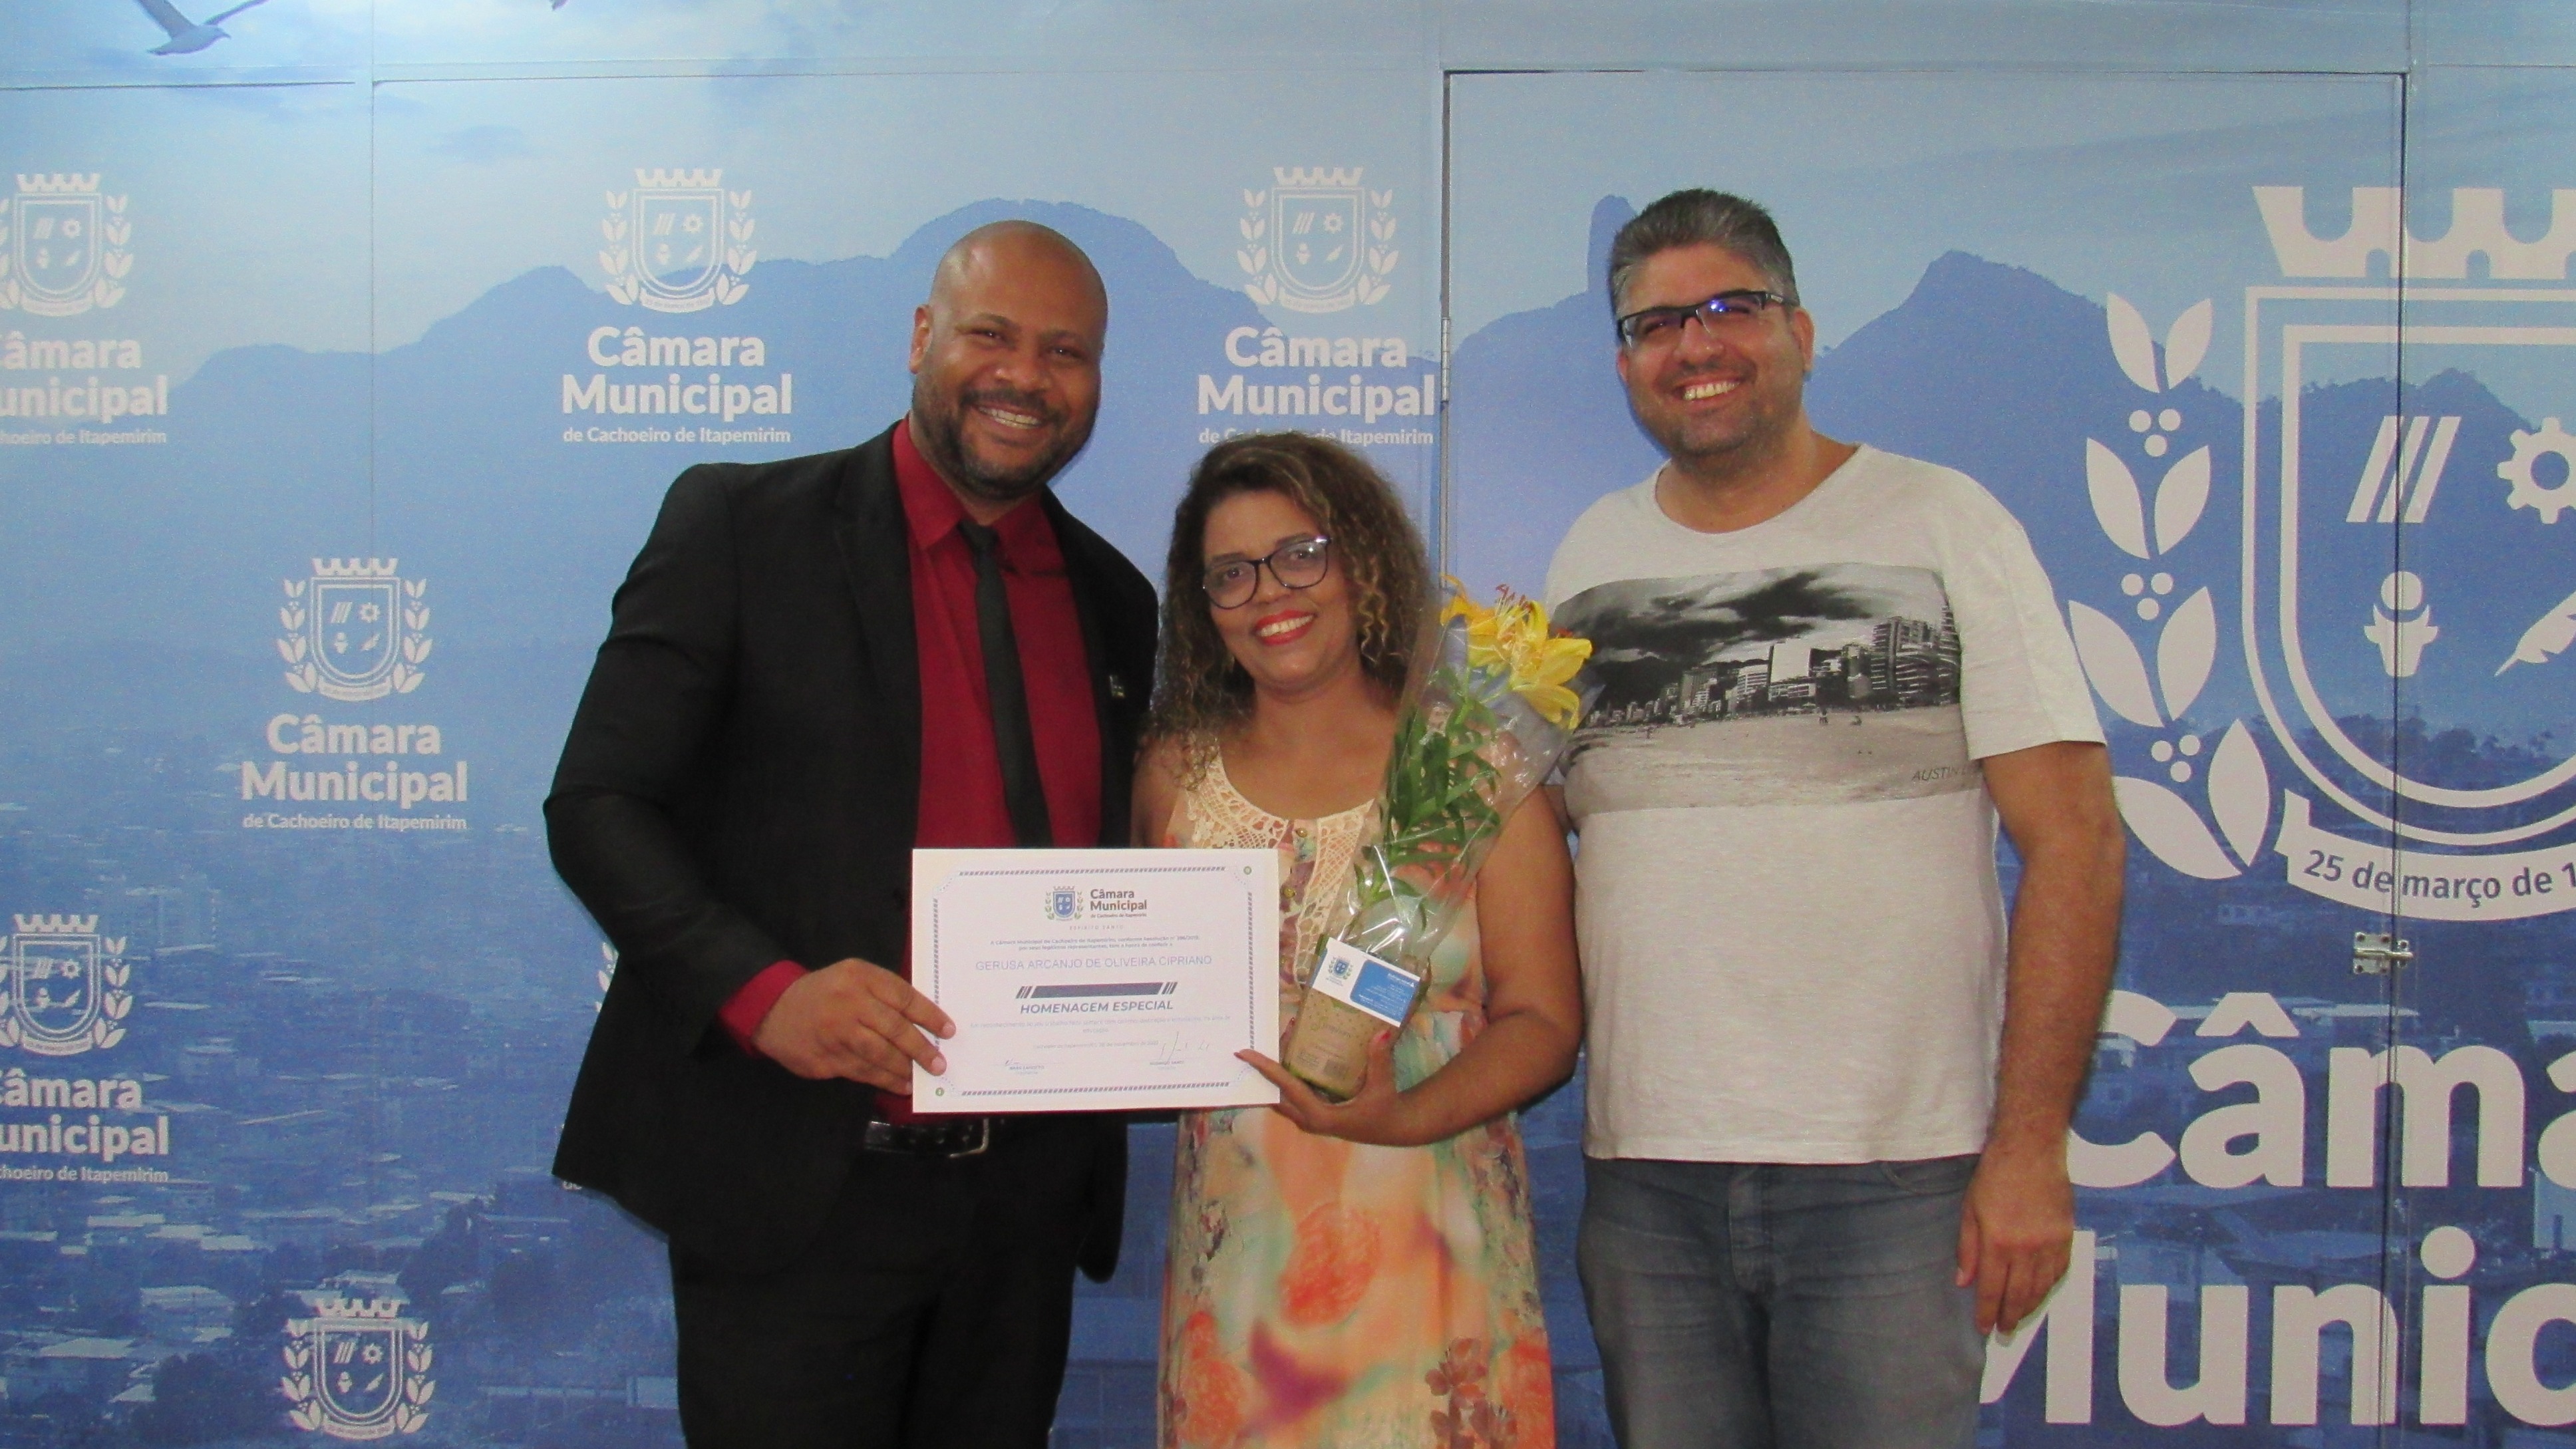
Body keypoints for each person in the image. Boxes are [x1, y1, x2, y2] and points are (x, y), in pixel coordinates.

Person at [546, 220, 1159, 1449]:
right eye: (991, 334)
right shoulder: (741, 525)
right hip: (795, 1186)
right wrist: (765, 994)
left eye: (1066, 351)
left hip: (1023, 1213)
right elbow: (598, 802)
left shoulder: (1116, 599)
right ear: (923, 337)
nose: (1025, 376)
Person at [1545, 190, 2124, 1448]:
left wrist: (2030, 1146)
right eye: (1655, 324)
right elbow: (1538, 836)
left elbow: (2077, 839)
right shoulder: (1591, 558)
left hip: (1896, 1174)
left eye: (1729, 307)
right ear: (1625, 364)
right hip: (1647, 1175)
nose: (1695, 345)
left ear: (1801, 332)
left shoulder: (1942, 521)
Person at [1136, 433, 1582, 1449]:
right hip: (1244, 1287)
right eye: (1231, 574)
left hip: (1436, 1255)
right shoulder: (1173, 777)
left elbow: (1545, 1021)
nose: (1268, 593)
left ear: (1364, 562)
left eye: (1301, 555)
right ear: (1203, 606)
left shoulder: (1479, 765)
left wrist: (1403, 1114)